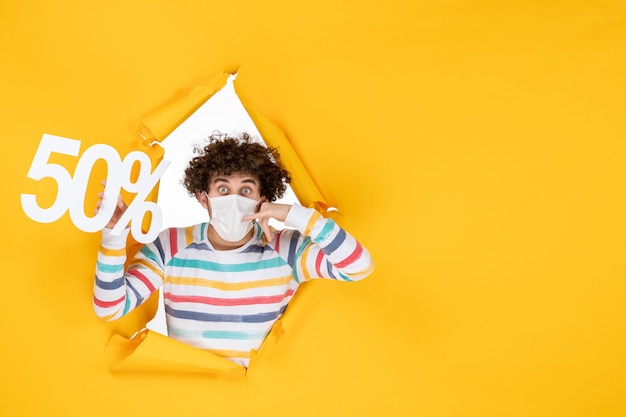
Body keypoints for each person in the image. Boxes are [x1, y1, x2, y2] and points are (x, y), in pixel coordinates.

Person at [92, 132, 374, 367]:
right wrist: (115, 236)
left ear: (263, 199)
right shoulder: (171, 245)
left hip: (255, 401)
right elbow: (111, 307)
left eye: (246, 190)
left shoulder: (286, 250)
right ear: (204, 197)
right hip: (187, 397)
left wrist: (294, 215)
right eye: (223, 190)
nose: (235, 199)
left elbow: (359, 266)